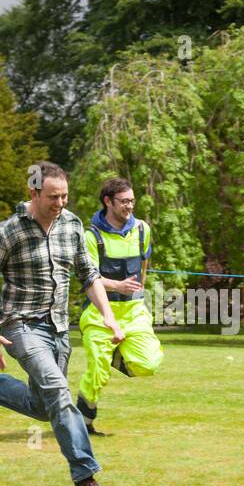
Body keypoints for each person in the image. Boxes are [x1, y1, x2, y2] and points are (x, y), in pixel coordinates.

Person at [0, 161, 125, 486]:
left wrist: (108, 315)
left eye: (64, 196)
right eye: (52, 196)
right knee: (60, 393)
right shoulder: (6, 232)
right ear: (33, 193)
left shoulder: (72, 226)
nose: (60, 203)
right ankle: (86, 477)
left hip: (59, 329)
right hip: (21, 326)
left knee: (43, 406)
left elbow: (88, 275)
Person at [75, 177, 164, 436]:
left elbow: (143, 265)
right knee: (97, 371)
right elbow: (88, 277)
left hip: (134, 310)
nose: (129, 207)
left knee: (149, 363)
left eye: (132, 201)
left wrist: (138, 296)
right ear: (108, 202)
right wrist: (117, 286)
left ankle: (115, 355)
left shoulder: (143, 230)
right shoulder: (91, 236)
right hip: (99, 313)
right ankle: (84, 422)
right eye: (124, 201)